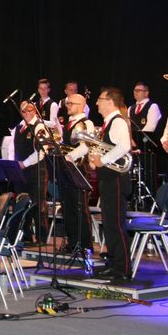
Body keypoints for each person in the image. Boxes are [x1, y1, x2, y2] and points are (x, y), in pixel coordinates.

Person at [89, 88, 133, 281]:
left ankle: (123, 269)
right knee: (109, 224)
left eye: (99, 99)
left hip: (116, 180)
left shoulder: (118, 122)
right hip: (108, 179)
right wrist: (95, 158)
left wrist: (103, 160)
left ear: (109, 101)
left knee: (115, 224)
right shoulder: (109, 123)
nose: (97, 103)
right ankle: (114, 263)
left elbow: (124, 146)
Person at [2, 101, 48, 244]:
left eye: (29, 110)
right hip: (20, 172)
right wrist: (12, 164)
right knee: (22, 203)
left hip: (35, 171)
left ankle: (41, 238)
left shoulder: (39, 126)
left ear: (35, 110)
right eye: (23, 111)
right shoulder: (18, 127)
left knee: (38, 205)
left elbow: (41, 152)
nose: (27, 113)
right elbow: (11, 148)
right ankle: (26, 235)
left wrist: (24, 163)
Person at [59, 94, 95, 254]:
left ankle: (85, 244)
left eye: (71, 103)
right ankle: (72, 242)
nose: (68, 106)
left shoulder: (87, 123)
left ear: (81, 105)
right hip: (67, 169)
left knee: (79, 207)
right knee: (67, 207)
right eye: (67, 103)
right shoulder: (69, 123)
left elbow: (86, 146)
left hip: (79, 169)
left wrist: (69, 156)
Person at [129, 82, 162, 151]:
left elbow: (150, 128)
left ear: (146, 93)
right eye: (134, 90)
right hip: (132, 145)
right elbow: (128, 126)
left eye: (138, 90)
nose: (135, 92)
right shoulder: (130, 108)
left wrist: (136, 141)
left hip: (147, 147)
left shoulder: (153, 106)